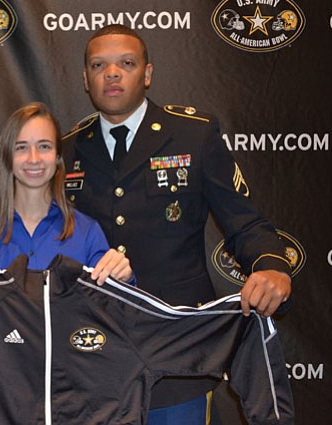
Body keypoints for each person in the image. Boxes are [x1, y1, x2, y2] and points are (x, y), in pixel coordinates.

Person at [61, 25, 292, 425]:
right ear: (85, 80)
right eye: (99, 65)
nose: (112, 74)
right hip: (96, 356)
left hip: (178, 351)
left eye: (126, 64)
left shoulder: (192, 135)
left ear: (147, 74)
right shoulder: (65, 150)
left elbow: (244, 222)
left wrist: (272, 265)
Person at [0, 102, 134, 293]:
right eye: (22, 147)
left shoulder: (86, 233)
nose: (34, 159)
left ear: (58, 156)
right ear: (7, 157)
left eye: (44, 146)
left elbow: (114, 312)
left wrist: (124, 280)